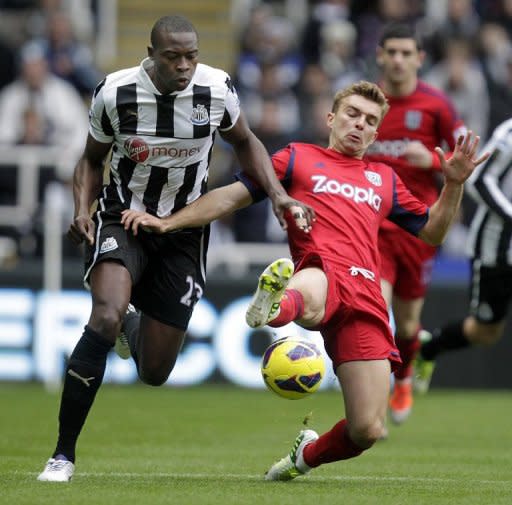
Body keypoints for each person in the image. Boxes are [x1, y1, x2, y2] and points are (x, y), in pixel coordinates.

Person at [120, 81, 488, 480]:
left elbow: (433, 233)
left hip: (366, 296)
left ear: (376, 133)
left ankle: (304, 456)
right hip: (320, 269)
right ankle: (274, 306)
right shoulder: (296, 159)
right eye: (352, 114)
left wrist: (453, 184)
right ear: (331, 118)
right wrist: (167, 222)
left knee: (368, 429)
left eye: (369, 120)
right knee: (311, 289)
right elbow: (230, 197)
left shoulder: (384, 179)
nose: (359, 124)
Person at [36, 14, 313, 483]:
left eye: (192, 56)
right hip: (122, 216)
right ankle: (62, 454)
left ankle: (129, 323)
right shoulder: (116, 93)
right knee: (102, 316)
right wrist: (82, 208)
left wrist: (281, 196)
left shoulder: (216, 90)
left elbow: (246, 143)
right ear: (151, 55)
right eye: (173, 57)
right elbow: (90, 160)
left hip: (183, 230)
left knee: (156, 371)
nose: (184, 66)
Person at [364, 23, 466, 424]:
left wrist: (436, 161)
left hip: (419, 228)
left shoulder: (436, 105)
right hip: (374, 226)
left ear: (420, 59)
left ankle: (404, 376)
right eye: (392, 52)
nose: (399, 60)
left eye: (407, 53)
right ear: (380, 55)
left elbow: (462, 159)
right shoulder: (369, 102)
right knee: (377, 311)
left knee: (406, 323)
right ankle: (370, 410)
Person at [414, 117, 512, 392]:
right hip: (497, 250)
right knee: (485, 331)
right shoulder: (509, 133)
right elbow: (480, 180)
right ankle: (429, 347)